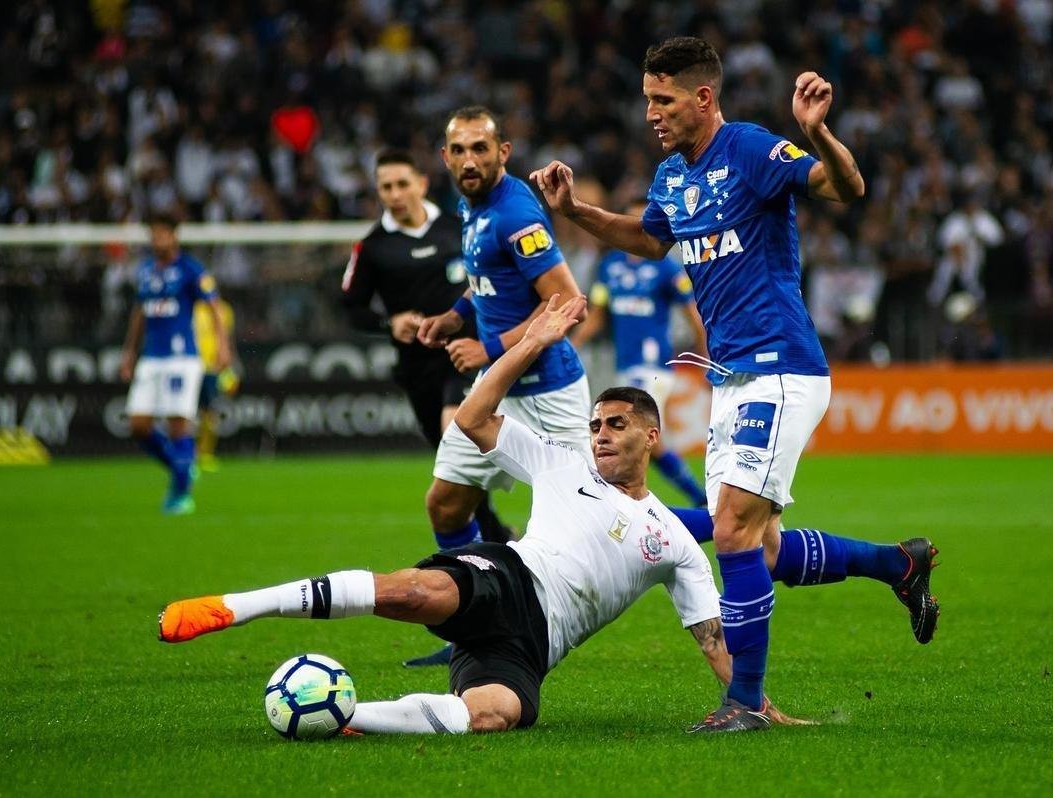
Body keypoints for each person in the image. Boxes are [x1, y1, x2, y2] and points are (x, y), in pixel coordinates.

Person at [158, 294, 805, 734]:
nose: (601, 435)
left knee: (495, 715)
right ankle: (236, 606)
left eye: (617, 425)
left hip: (532, 646)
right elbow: (472, 419)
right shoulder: (562, 462)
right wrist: (532, 341)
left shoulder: (675, 543)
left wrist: (756, 703)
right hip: (508, 576)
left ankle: (342, 716)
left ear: (651, 437)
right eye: (596, 425)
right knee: (415, 592)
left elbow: (713, 639)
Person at [531, 37, 939, 732]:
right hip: (731, 381)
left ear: (703, 96)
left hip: (781, 367)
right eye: (646, 100)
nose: (651, 113)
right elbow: (646, 238)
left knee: (732, 530)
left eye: (663, 100)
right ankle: (900, 565)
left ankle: (745, 701)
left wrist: (817, 134)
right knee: (763, 548)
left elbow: (846, 188)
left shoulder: (750, 150)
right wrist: (575, 213)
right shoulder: (669, 177)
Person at [409, 106, 591, 666]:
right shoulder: (471, 208)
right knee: (446, 504)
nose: (469, 160)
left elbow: (566, 301)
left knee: (599, 518)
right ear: (445, 158)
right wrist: (455, 314)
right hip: (498, 389)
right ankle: (472, 620)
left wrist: (487, 348)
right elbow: (488, 283)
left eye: (480, 149)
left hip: (549, 394)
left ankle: (719, 524)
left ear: (503, 153)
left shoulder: (515, 212)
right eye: (459, 150)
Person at [340, 148, 513, 552]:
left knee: (457, 429)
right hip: (417, 369)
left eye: (402, 184)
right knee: (453, 471)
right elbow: (352, 307)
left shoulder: (458, 227)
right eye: (386, 187)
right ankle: (496, 542)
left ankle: (510, 535)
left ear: (420, 183)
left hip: (467, 357)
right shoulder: (372, 247)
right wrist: (390, 323)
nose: (395, 194)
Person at [571, 198, 709, 507]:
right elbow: (598, 316)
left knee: (634, 431)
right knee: (642, 438)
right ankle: (686, 498)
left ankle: (681, 498)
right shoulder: (610, 267)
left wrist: (705, 360)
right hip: (624, 366)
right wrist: (573, 343)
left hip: (654, 367)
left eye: (642, 222)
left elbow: (692, 315)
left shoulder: (665, 266)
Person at [120, 215, 231, 514]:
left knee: (178, 426)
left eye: (162, 234)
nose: (157, 240)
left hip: (182, 359)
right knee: (138, 425)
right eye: (153, 235)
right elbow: (139, 313)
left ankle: (181, 495)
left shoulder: (190, 269)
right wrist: (129, 351)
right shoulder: (145, 272)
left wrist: (223, 346)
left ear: (174, 236)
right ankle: (181, 467)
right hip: (151, 357)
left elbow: (214, 307)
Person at [192, 295, 238, 473]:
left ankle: (205, 453)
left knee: (210, 411)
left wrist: (230, 369)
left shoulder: (223, 309)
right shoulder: (190, 307)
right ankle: (188, 453)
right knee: (187, 413)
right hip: (190, 366)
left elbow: (227, 339)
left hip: (212, 367)